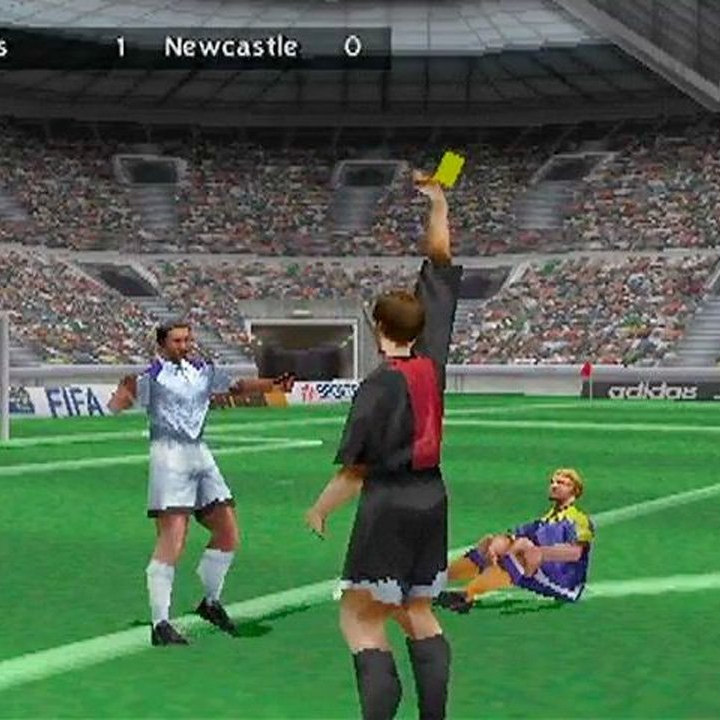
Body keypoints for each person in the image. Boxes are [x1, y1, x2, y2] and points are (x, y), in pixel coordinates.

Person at [304, 169, 461, 720]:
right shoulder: (432, 361)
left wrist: (319, 510)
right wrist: (438, 204)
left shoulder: (376, 387)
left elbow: (355, 471)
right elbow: (440, 261)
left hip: (390, 501)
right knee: (418, 610)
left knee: (361, 617)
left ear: (376, 327)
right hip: (433, 499)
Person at [108, 322, 294, 646]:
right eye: (177, 341)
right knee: (173, 539)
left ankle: (210, 602)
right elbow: (117, 404)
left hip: (200, 455)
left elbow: (236, 387)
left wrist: (272, 385)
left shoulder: (201, 370)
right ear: (162, 345)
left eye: (187, 339)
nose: (185, 345)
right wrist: (120, 397)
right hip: (169, 458)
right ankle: (160, 623)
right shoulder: (152, 378)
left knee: (228, 532)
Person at [436, 468, 595, 613]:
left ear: (574, 490)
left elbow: (576, 553)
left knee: (521, 549)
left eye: (561, 483)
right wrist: (497, 543)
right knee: (491, 544)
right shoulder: (546, 519)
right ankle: (436, 582)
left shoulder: (577, 519)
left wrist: (540, 552)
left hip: (564, 583)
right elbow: (513, 535)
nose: (554, 486)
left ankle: (467, 596)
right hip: (539, 570)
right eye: (552, 482)